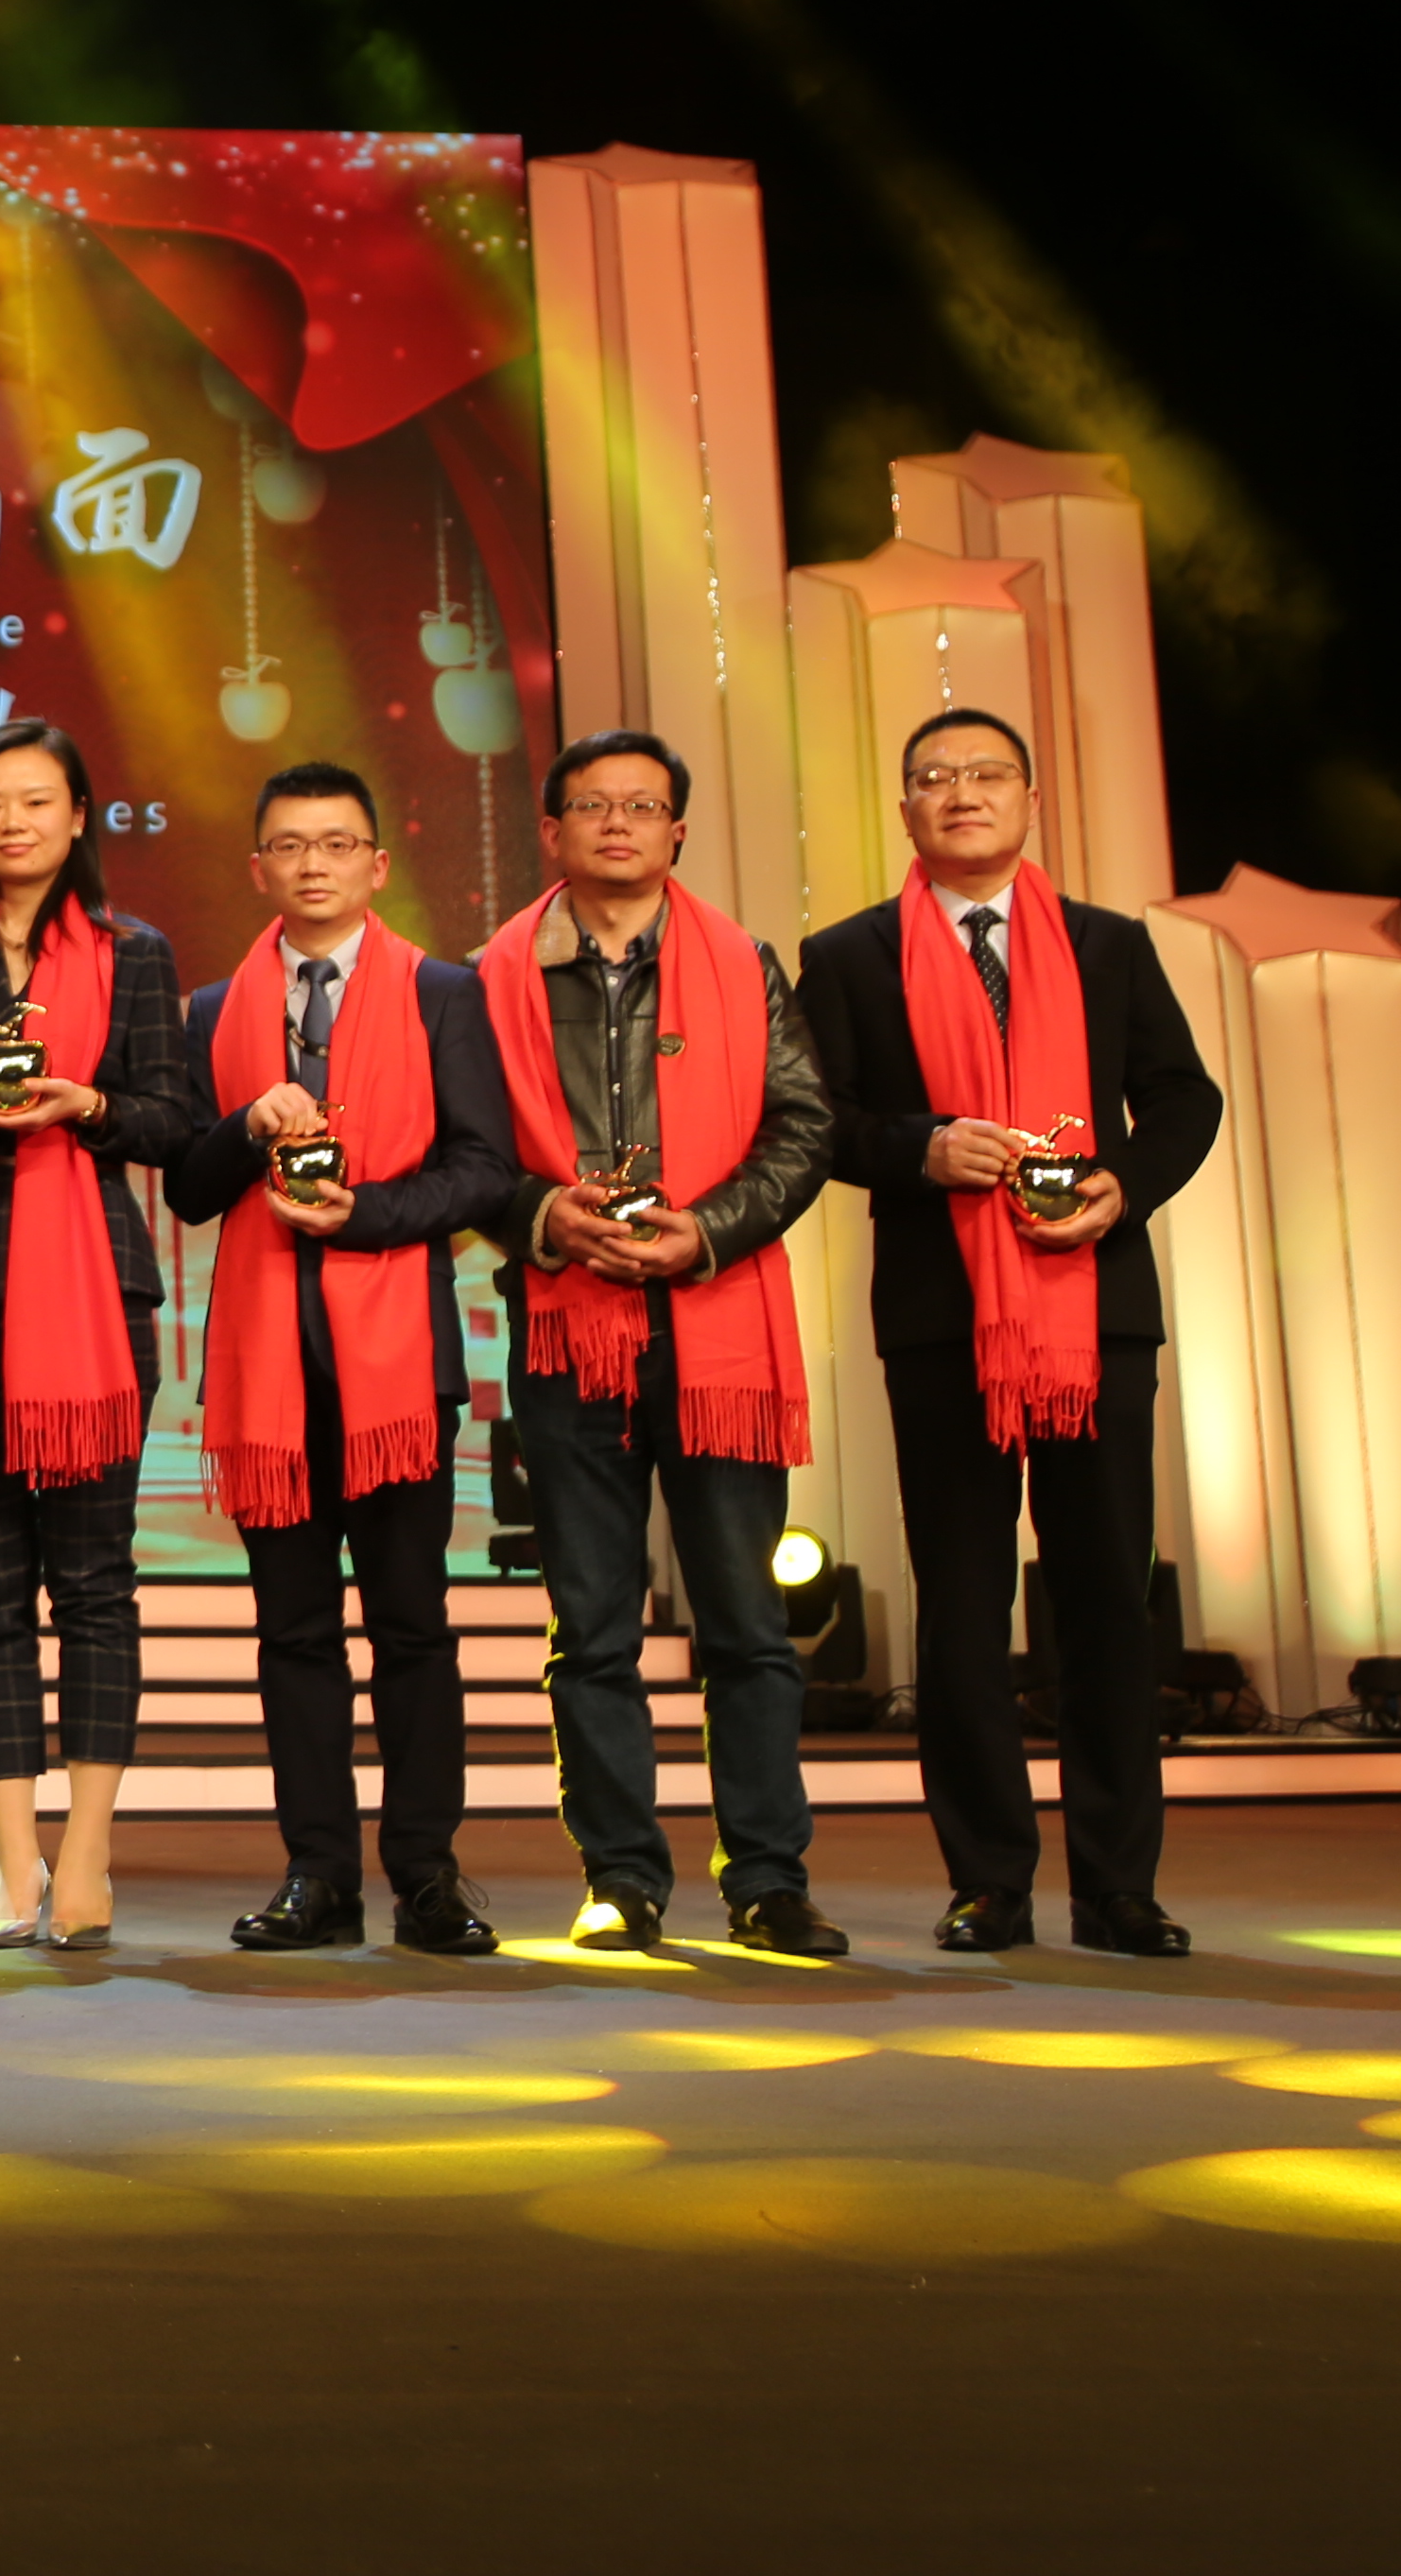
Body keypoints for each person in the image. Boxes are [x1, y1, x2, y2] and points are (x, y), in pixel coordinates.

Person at [792, 708, 1224, 1958]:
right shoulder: (850, 955)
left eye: (988, 775)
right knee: (964, 1609)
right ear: (906, 811)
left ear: (1031, 800)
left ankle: (1119, 1888)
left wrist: (1122, 1188)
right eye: (936, 778)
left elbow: (1184, 1098)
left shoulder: (1107, 944)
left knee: (1108, 1603)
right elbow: (814, 1121)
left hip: (1096, 1310)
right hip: (944, 1319)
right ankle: (988, 1880)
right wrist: (919, 1149)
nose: (963, 793)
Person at [478, 732, 845, 1959]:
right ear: (553, 831)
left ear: (678, 830)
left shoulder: (746, 963)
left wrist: (710, 1232)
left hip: (715, 1322)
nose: (619, 823)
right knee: (592, 1632)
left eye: (643, 806)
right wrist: (542, 1214)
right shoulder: (490, 977)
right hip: (568, 1334)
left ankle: (769, 1881)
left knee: (747, 1627)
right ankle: (621, 1878)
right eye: (594, 805)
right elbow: (461, 1149)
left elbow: (805, 1125)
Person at [175, 760, 520, 1957]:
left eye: (335, 844)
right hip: (266, 1365)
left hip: (398, 1363)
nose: (312, 863)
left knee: (413, 1626)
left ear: (376, 864)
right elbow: (188, 1187)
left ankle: (427, 1874)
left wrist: (363, 1215)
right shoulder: (213, 1011)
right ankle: (317, 1875)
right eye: (290, 845)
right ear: (257, 868)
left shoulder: (442, 993)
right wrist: (244, 1125)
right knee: (294, 1635)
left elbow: (486, 1170)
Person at [0, 719, 204, 1951]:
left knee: (95, 1584)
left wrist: (88, 1103)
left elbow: (174, 1122)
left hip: (95, 1298)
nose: (13, 824)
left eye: (35, 801)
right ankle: (15, 1863)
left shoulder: (134, 952)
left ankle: (87, 1855)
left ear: (78, 818)